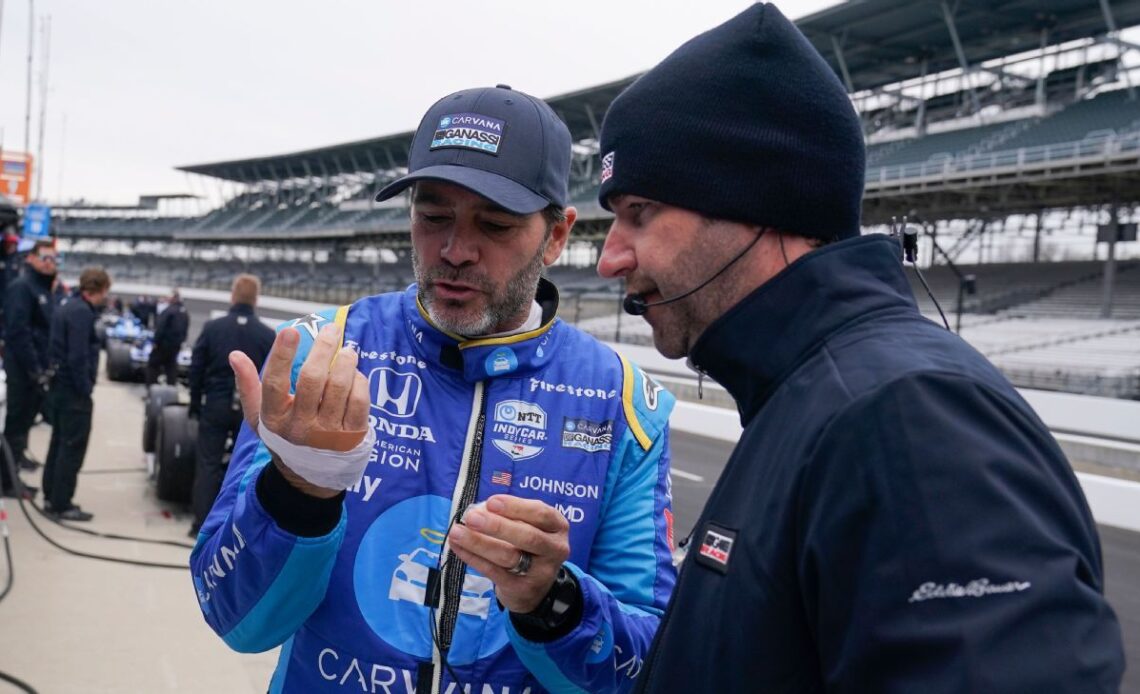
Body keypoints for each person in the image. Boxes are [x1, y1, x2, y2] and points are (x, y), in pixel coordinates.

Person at [592, 5, 1126, 692]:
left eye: (639, 213)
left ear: (756, 201)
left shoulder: (906, 416)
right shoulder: (811, 396)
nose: (610, 258)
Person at [190, 85, 677, 694]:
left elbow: (651, 666)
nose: (455, 251)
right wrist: (298, 494)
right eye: (433, 215)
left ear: (556, 236)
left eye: (495, 224)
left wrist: (553, 603)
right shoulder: (323, 354)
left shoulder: (624, 402)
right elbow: (232, 615)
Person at [187, 273, 275, 537]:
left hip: (215, 403)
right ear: (256, 299)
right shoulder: (267, 335)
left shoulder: (213, 328)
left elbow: (196, 368)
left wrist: (194, 403)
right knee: (245, 470)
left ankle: (200, 525)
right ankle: (235, 528)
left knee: (207, 464)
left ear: (233, 296)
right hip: (250, 414)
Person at [42, 267, 111, 521]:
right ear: (102, 288)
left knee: (58, 443)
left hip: (60, 388)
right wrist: (85, 388)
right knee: (71, 448)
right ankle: (61, 503)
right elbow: (78, 356)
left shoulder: (66, 306)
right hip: (73, 392)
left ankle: (51, 495)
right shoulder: (82, 313)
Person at [1, 239, 59, 499]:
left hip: (36, 369)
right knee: (15, 426)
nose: (49, 264)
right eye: (45, 258)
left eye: (53, 259)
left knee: (23, 426)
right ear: (32, 259)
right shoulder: (22, 287)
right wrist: (34, 369)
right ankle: (7, 482)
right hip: (22, 370)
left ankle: (13, 473)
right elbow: (18, 332)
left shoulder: (44, 289)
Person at [146, 288, 188, 387]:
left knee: (153, 366)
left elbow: (160, 328)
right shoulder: (184, 312)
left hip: (163, 345)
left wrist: (155, 342)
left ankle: (151, 390)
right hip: (175, 346)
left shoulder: (168, 311)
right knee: (171, 369)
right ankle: (171, 391)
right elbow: (185, 330)